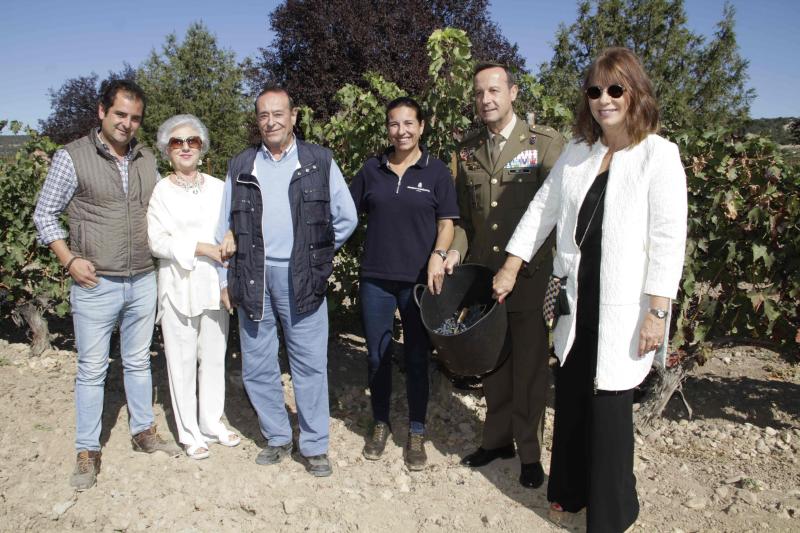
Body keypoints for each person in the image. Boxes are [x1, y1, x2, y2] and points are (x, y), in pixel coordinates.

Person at [493, 47, 687, 532]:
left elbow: (668, 238)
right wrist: (512, 265)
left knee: (610, 410)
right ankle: (571, 490)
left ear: (635, 93)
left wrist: (658, 312)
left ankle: (613, 511)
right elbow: (543, 209)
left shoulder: (658, 155)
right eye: (596, 90)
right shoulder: (580, 152)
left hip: (625, 305)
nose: (605, 99)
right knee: (576, 396)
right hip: (577, 297)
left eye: (616, 89)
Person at [33, 79, 179, 491]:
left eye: (134, 118)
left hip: (142, 278)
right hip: (95, 282)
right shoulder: (73, 156)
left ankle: (143, 432)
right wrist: (69, 259)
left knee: (137, 361)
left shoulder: (147, 159)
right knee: (92, 369)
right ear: (102, 111)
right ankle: (86, 450)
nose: (127, 124)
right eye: (120, 115)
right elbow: (45, 214)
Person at [217, 86, 358, 477]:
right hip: (253, 275)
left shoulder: (319, 161)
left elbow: (346, 218)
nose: (271, 121)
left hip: (302, 277)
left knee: (309, 365)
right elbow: (223, 229)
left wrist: (317, 255)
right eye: (264, 115)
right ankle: (277, 437)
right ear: (257, 119)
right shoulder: (241, 165)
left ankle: (314, 446)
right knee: (259, 364)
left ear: (294, 116)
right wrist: (222, 279)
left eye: (279, 113)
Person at [448, 62, 565, 489]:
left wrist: (519, 267)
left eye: (494, 90)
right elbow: (463, 220)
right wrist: (453, 254)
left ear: (513, 92)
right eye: (479, 93)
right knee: (493, 364)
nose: (486, 100)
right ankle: (497, 441)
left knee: (531, 370)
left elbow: (553, 214)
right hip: (484, 279)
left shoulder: (545, 144)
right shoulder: (466, 150)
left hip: (529, 278)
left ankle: (530, 453)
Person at [349, 97, 459, 470]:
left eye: (409, 123)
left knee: (416, 357)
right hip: (375, 280)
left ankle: (416, 429)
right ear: (388, 128)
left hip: (418, 283)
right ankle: (380, 423)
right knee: (378, 355)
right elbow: (347, 213)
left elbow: (447, 223)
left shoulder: (437, 172)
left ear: (422, 126)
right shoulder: (371, 170)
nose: (402, 131)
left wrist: (439, 255)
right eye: (395, 124)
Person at [147, 114, 240, 460]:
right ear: (166, 150)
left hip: (215, 284)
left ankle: (213, 421)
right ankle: (188, 431)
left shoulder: (219, 187)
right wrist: (202, 247)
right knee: (181, 362)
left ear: (202, 147)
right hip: (178, 287)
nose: (185, 147)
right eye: (177, 142)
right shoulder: (161, 191)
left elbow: (233, 225)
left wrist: (230, 237)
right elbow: (157, 241)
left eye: (192, 141)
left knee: (215, 358)